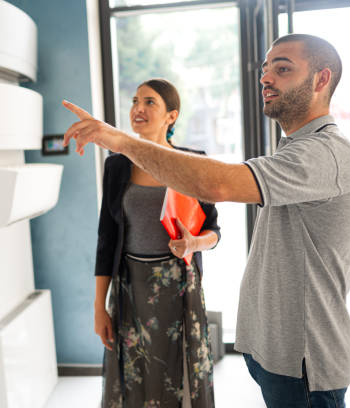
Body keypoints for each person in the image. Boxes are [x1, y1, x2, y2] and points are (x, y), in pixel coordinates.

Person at [62, 33, 350, 408]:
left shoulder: (324, 154)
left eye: (283, 68)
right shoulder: (296, 148)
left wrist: (121, 141)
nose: (266, 78)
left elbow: (217, 184)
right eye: (265, 70)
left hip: (303, 361)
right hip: (276, 353)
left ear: (322, 80)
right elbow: (107, 236)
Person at [95, 78, 220, 408]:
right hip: (129, 287)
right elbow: (106, 239)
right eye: (136, 101)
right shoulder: (117, 165)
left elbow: (214, 232)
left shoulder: (193, 162)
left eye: (150, 102)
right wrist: (99, 307)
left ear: (171, 116)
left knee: (179, 373)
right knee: (134, 374)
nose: (138, 108)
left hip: (178, 288)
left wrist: (194, 243)